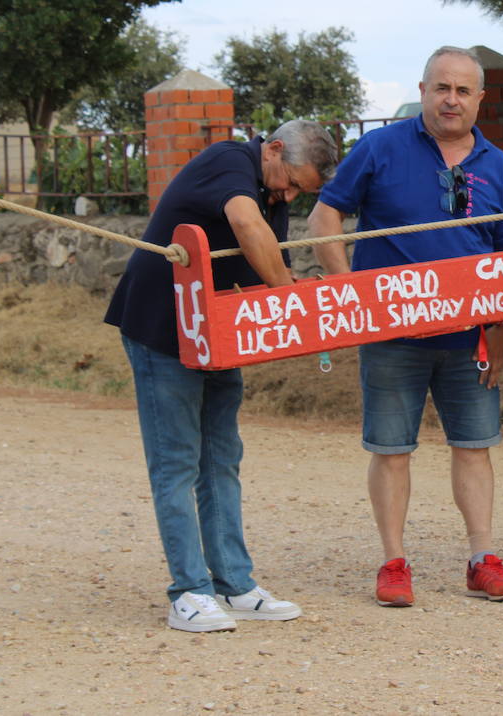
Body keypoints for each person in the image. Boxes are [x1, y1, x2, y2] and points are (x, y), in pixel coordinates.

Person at [308, 46, 503, 605]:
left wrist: (499, 335)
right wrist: (349, 292)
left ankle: (482, 560)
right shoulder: (379, 147)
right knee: (391, 449)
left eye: (462, 91)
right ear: (424, 90)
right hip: (391, 335)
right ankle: (393, 563)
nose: (450, 100)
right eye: (441, 88)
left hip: (469, 338)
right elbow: (324, 215)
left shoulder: (500, 168)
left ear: (480, 98)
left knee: (475, 445)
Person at [105, 119, 337, 632]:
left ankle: (234, 584)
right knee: (177, 462)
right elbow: (247, 228)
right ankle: (187, 591)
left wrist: (287, 288)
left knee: (222, 458)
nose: (291, 195)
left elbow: (261, 259)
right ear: (273, 149)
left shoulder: (272, 187)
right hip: (162, 331)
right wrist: (289, 294)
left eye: (303, 190)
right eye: (293, 182)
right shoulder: (229, 162)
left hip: (217, 335)